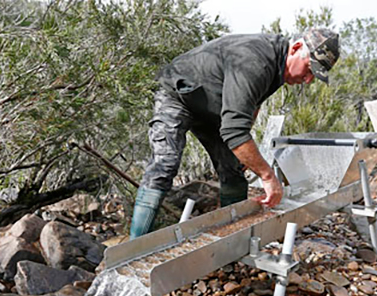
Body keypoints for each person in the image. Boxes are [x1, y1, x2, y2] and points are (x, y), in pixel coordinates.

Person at [130, 28, 340, 239]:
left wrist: (245, 154)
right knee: (165, 164)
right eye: (309, 69)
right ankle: (133, 247)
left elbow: (250, 107)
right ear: (295, 48)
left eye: (314, 74)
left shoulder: (278, 65)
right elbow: (234, 131)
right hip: (177, 95)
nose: (308, 80)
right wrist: (267, 176)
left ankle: (232, 241)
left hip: (213, 106)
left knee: (234, 170)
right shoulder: (257, 61)